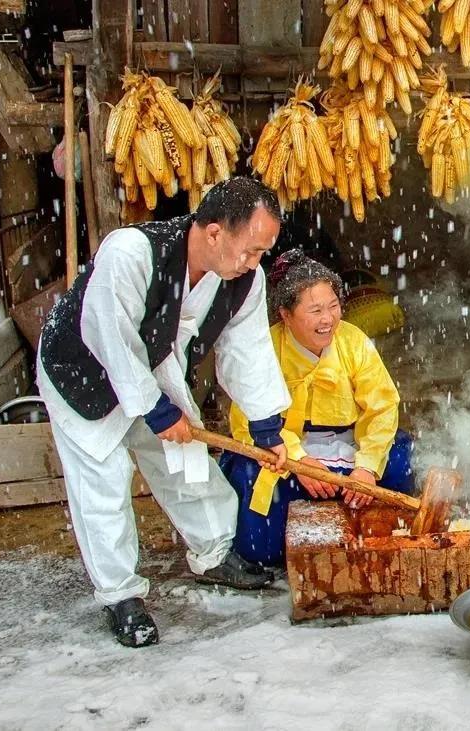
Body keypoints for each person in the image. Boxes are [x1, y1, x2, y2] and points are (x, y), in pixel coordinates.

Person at [37, 177, 292, 648]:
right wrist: (155, 410)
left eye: (262, 252)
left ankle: (214, 554)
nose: (255, 263)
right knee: (104, 478)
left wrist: (265, 426)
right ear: (214, 232)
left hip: (150, 367)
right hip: (82, 371)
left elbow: (248, 350)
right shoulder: (132, 253)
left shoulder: (244, 281)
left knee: (186, 458)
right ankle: (120, 596)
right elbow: (109, 337)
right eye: (250, 250)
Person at [221, 250, 414, 567]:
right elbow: (246, 419)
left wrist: (366, 467)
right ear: (286, 314)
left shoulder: (352, 341)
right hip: (282, 447)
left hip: (347, 443)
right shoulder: (265, 348)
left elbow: (381, 407)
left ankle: (369, 538)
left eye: (333, 306)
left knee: (397, 460)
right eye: (315, 310)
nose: (328, 319)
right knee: (259, 547)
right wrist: (299, 460)